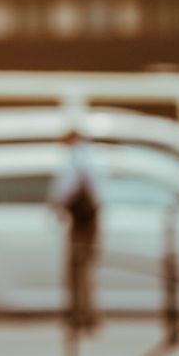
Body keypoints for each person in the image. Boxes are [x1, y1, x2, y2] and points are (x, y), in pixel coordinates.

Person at [49, 128, 102, 335]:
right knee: (84, 267)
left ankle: (81, 315)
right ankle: (85, 314)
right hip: (89, 216)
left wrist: (57, 205)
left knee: (78, 266)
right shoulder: (91, 156)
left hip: (83, 219)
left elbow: (67, 186)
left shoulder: (78, 158)